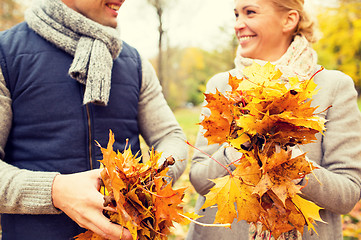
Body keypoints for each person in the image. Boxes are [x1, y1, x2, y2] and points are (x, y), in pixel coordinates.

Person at [0, 0, 188, 239]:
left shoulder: (135, 63)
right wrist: (55, 191)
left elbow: (170, 136)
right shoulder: (5, 54)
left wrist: (148, 178)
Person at [186, 0, 361, 239]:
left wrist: (287, 161)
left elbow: (348, 195)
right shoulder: (222, 86)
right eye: (236, 14)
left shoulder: (332, 87)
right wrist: (236, 151)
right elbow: (198, 179)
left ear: (289, 20)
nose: (238, 24)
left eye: (250, 13)